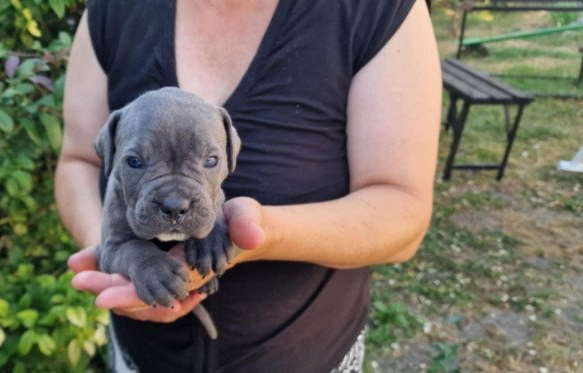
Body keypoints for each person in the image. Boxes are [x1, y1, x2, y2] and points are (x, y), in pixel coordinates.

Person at [55, 0, 441, 371]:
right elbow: (79, 160)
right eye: (136, 162)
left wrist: (254, 233)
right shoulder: (112, 8)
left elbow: (403, 211)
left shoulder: (378, 9)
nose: (175, 198)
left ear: (230, 155)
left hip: (305, 355)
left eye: (209, 162)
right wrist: (116, 256)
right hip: (142, 355)